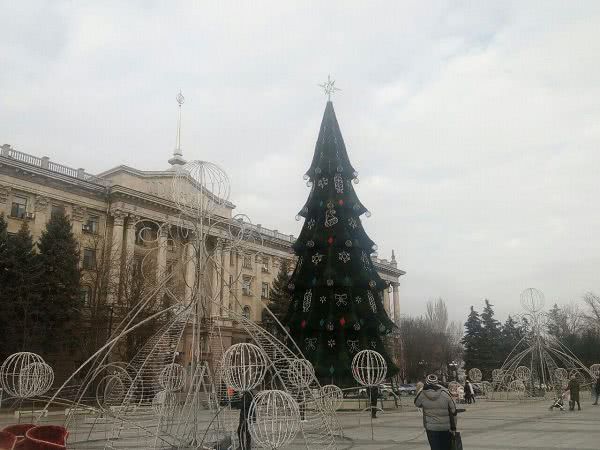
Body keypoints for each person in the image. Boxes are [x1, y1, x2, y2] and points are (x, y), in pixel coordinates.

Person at [414, 374, 458, 450]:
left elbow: (417, 403)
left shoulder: (422, 394)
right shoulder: (445, 393)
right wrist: (454, 428)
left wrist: (421, 389)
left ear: (426, 382)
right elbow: (454, 411)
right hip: (445, 428)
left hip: (431, 428)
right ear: (437, 383)